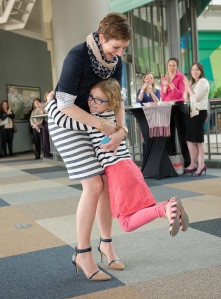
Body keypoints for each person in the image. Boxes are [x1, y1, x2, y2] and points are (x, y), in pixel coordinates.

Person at [45, 13, 132, 281]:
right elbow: (64, 104)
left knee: (105, 181)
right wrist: (101, 125)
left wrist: (121, 130)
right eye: (115, 47)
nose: (119, 53)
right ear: (102, 38)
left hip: (96, 121)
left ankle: (106, 243)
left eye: (124, 49)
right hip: (65, 120)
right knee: (93, 185)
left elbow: (117, 100)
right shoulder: (77, 56)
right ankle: (82, 253)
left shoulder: (115, 62)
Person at [46, 78, 189, 238]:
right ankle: (174, 211)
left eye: (99, 100)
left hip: (117, 173)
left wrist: (50, 100)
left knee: (126, 224)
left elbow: (61, 119)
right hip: (130, 168)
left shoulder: (97, 122)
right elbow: (121, 96)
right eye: (91, 97)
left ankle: (166, 208)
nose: (92, 102)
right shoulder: (113, 117)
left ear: (111, 103)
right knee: (139, 210)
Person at [160, 57, 190, 168]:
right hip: (167, 108)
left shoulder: (181, 77)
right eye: (169, 65)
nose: (171, 67)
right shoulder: (164, 78)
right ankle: (171, 163)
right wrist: (165, 86)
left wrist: (170, 84)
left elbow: (179, 95)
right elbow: (163, 97)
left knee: (183, 135)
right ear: (167, 66)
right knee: (169, 136)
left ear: (177, 66)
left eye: (173, 65)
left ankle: (187, 162)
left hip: (178, 107)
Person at [183, 62, 210, 176]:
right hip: (193, 113)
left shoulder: (203, 81)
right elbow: (186, 98)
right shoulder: (195, 83)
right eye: (193, 69)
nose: (194, 72)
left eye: (197, 69)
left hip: (199, 112)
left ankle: (200, 165)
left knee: (198, 141)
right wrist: (187, 87)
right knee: (189, 139)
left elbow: (197, 98)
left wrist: (189, 87)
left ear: (201, 71)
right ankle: (193, 164)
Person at [41, 91, 53, 158]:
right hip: (46, 123)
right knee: (46, 139)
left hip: (53, 123)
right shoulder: (44, 104)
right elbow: (42, 115)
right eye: (47, 95)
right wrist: (42, 108)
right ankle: (47, 154)